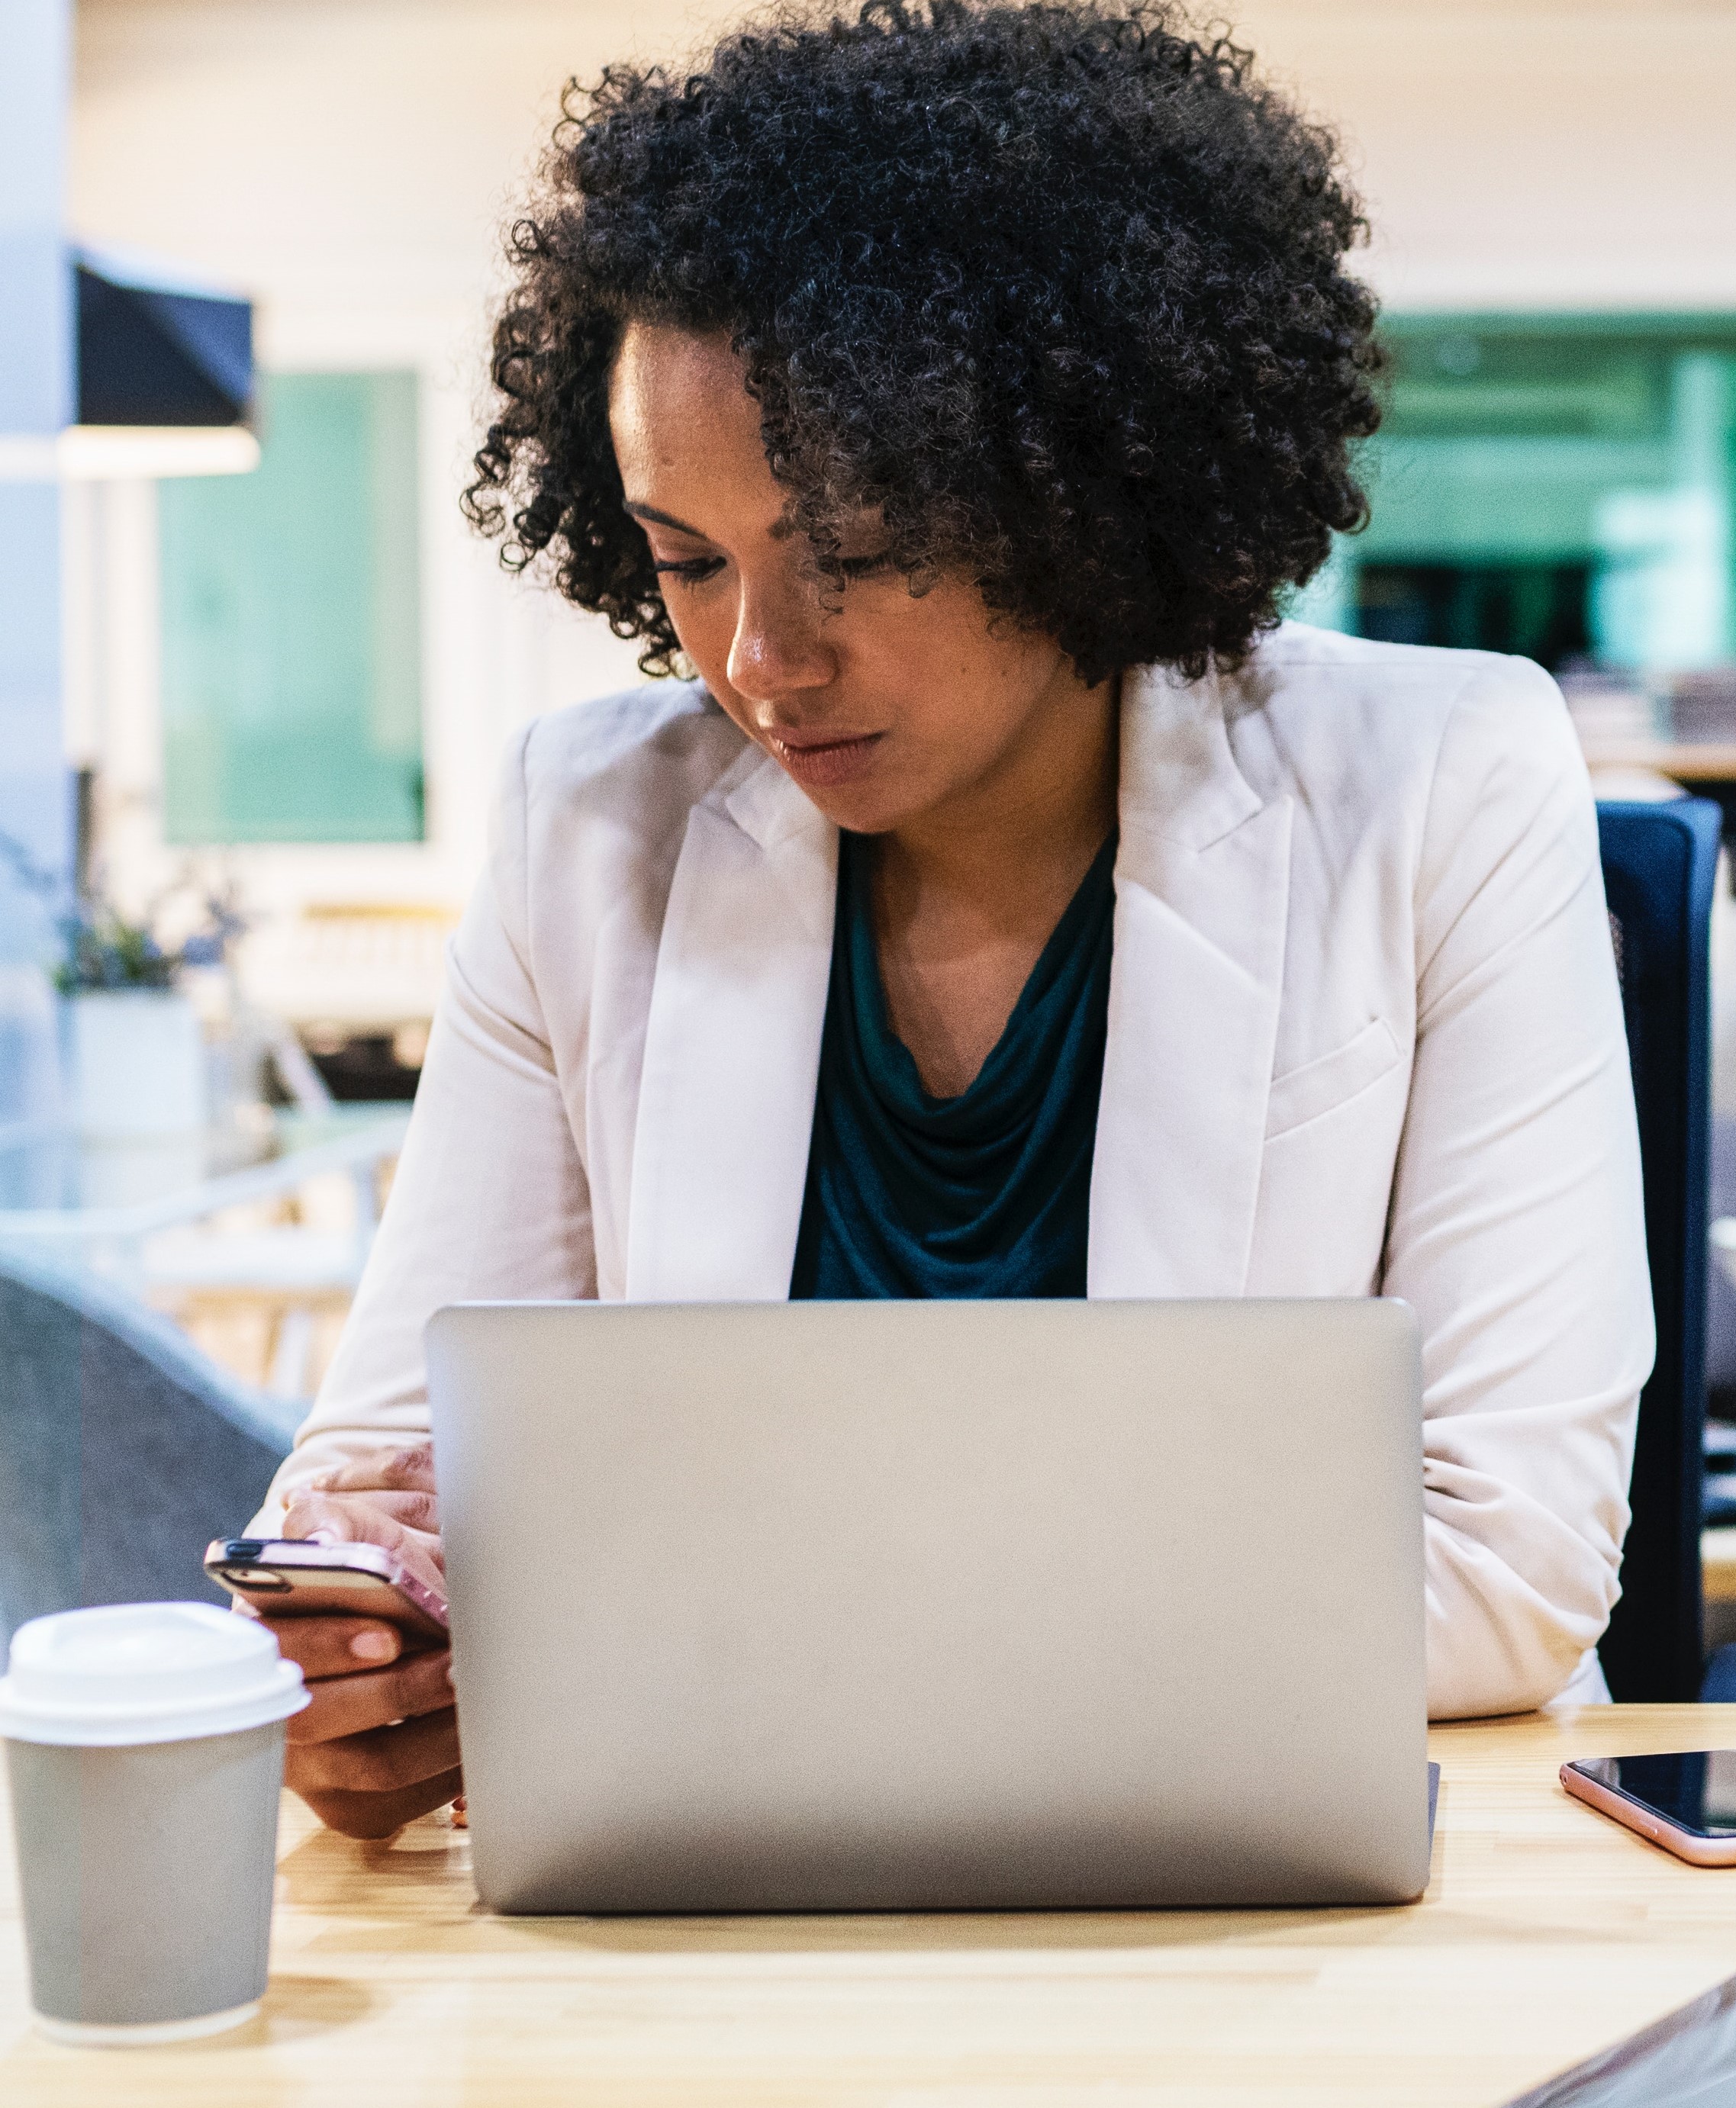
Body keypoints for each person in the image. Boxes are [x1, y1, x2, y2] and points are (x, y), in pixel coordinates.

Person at [250, 0, 1654, 1841]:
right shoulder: (582, 826)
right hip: (714, 1886)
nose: (761, 658)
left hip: (1298, 1897)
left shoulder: (1443, 775)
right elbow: (379, 1479)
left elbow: (1504, 1560)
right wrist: (360, 1644)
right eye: (688, 559)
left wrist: (657, 1642)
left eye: (854, 550)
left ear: (1082, 483)